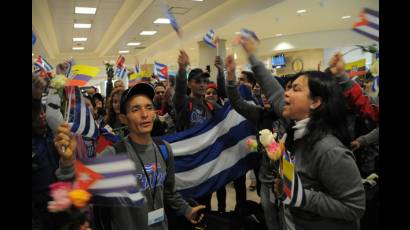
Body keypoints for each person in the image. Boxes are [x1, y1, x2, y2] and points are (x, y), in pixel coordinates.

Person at [233, 36, 366, 229]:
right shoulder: (295, 133)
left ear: (315, 102)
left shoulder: (329, 150)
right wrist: (252, 57)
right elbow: (273, 90)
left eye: (295, 89)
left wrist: (300, 196)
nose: (286, 93)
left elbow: (354, 207)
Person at [54, 82, 205, 230]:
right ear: (123, 118)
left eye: (148, 107)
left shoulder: (164, 149)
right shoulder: (115, 155)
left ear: (154, 113)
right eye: (135, 109)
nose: (144, 114)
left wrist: (187, 210)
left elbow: (169, 192)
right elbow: (77, 187)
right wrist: (67, 161)